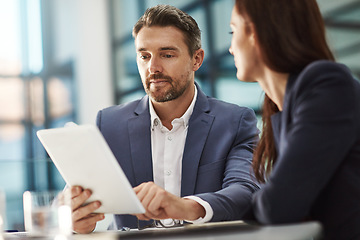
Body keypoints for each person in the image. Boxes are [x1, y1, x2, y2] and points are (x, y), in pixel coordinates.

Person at [71, 4, 260, 233]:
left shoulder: (235, 122)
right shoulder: (109, 124)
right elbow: (76, 194)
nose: (153, 67)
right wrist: (73, 216)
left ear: (196, 59)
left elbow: (244, 191)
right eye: (144, 56)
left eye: (167, 54)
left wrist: (183, 206)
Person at [228, 0, 360, 239]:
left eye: (233, 30)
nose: (230, 48)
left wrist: (266, 199)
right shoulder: (284, 106)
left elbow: (278, 205)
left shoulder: (327, 83)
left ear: (254, 32)